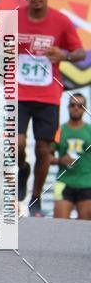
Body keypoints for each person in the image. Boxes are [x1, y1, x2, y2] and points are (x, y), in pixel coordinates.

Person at [17, 0, 85, 217]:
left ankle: (35, 197)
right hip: (19, 93)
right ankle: (22, 168)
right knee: (17, 143)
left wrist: (63, 55)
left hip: (48, 95)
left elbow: (80, 53)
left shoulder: (61, 21)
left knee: (43, 149)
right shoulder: (12, 19)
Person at [51, 92, 91, 220]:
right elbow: (46, 158)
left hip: (87, 183)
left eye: (80, 106)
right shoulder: (59, 131)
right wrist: (60, 160)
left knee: (85, 228)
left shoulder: (89, 130)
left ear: (85, 109)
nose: (76, 108)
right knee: (59, 225)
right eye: (73, 105)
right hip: (64, 183)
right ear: (68, 107)